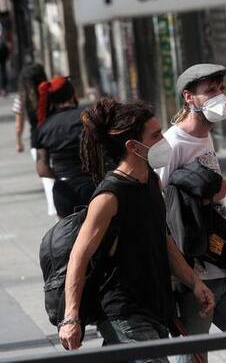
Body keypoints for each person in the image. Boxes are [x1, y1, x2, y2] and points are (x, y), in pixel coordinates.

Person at [59, 98, 215, 360]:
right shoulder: (110, 196)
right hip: (124, 311)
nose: (163, 140)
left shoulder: (151, 181)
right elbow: (79, 255)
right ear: (132, 146)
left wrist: (194, 281)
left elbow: (163, 239)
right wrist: (71, 316)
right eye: (155, 135)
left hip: (155, 306)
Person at [158, 64, 226, 363]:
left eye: (221, 89)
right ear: (189, 98)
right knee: (194, 358)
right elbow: (162, 209)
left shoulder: (205, 137)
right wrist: (207, 197)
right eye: (210, 91)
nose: (219, 96)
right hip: (194, 278)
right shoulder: (172, 144)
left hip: (224, 268)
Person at [34, 76, 94, 218]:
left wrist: (63, 177)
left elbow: (42, 170)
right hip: (92, 187)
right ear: (72, 93)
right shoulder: (87, 117)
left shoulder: (43, 126)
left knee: (69, 231)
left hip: (63, 191)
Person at [12, 63, 56, 215]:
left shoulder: (21, 99)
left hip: (37, 142)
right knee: (63, 171)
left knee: (47, 178)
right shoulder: (52, 93)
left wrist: (18, 142)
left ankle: (55, 211)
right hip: (55, 136)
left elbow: (19, 125)